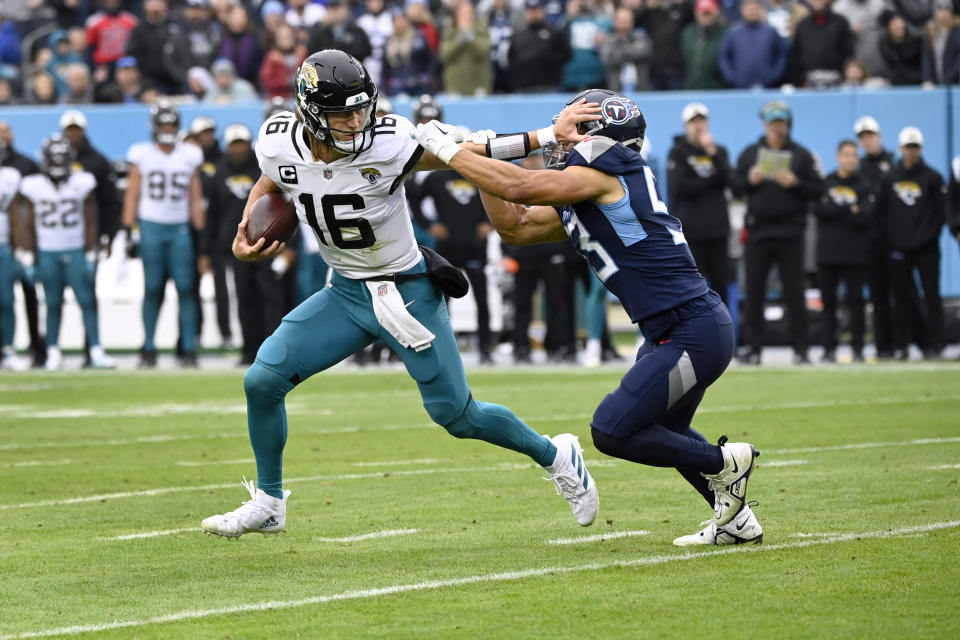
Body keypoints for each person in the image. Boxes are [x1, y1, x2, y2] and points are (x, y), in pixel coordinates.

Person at [200, 49, 599, 538]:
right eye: (343, 112)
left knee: (457, 415)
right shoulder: (277, 141)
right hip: (345, 294)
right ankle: (268, 501)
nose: (357, 120)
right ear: (309, 113)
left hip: (405, 292)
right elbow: (274, 176)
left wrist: (546, 136)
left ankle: (556, 455)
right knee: (262, 380)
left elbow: (467, 152)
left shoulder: (388, 143)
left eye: (362, 107)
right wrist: (250, 225)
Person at [415, 88, 761, 546]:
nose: (561, 141)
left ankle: (724, 464)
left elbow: (519, 186)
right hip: (673, 328)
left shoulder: (605, 173)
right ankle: (737, 523)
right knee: (668, 431)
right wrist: (481, 168)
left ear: (600, 138)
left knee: (611, 430)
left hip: (691, 327)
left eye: (574, 130)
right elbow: (515, 225)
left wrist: (454, 150)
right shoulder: (594, 189)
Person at [733, 101, 822, 365]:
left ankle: (801, 347)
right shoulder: (750, 153)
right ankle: (754, 348)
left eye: (781, 122)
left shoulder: (802, 155)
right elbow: (735, 187)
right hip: (759, 232)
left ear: (787, 124)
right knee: (755, 293)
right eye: (772, 123)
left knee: (795, 292)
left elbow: (818, 190)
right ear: (765, 124)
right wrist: (750, 179)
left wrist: (797, 183)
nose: (776, 127)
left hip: (791, 232)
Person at [17, 135, 113, 370]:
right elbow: (27, 222)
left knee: (86, 301)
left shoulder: (82, 181)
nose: (59, 164)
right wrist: (28, 255)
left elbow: (91, 218)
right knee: (52, 303)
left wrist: (91, 251)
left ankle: (96, 349)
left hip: (75, 250)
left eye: (62, 159)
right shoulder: (34, 186)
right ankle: (53, 351)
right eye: (55, 159)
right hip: (48, 250)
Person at [122, 101, 205, 368]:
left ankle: (189, 348)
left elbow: (195, 197)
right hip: (151, 227)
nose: (167, 129)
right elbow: (133, 193)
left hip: (179, 228)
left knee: (185, 288)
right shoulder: (142, 154)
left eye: (171, 124)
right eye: (163, 124)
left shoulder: (189, 154)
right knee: (153, 288)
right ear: (155, 127)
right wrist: (129, 229)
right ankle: (148, 347)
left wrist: (201, 237)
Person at [876, 127, 946, 359]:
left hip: (926, 249)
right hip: (898, 249)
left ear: (920, 149)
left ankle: (936, 344)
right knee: (901, 299)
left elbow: (940, 214)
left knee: (931, 296)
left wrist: (927, 237)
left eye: (915, 147)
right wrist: (893, 241)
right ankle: (902, 344)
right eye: (908, 147)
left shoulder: (933, 178)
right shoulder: (890, 178)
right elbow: (882, 213)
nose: (911, 152)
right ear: (900, 148)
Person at [667, 102, 731, 307]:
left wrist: (712, 154)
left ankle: (726, 334)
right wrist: (709, 180)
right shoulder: (678, 152)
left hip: (717, 229)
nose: (698, 126)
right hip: (692, 231)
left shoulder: (719, 152)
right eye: (693, 122)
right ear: (686, 126)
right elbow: (679, 188)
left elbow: (729, 181)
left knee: (721, 284)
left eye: (702, 121)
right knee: (695, 285)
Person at [814, 140, 872, 362]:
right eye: (846, 155)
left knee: (856, 303)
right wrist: (850, 209)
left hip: (855, 254)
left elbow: (865, 216)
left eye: (853, 155)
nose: (850, 159)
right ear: (838, 157)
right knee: (828, 304)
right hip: (828, 254)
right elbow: (820, 210)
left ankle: (858, 347)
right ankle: (829, 348)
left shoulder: (864, 185)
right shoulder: (826, 182)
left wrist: (835, 209)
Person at [854, 115, 896, 358]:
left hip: (894, 239)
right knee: (878, 296)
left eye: (870, 136)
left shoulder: (893, 162)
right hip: (869, 240)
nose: (867, 141)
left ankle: (910, 341)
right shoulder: (860, 168)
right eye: (863, 138)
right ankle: (883, 345)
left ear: (879, 136)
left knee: (903, 294)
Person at [0, 139, 28, 371]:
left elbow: (16, 215)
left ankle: (8, 349)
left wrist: (20, 248)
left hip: (2, 247)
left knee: (7, 301)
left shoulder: (9, 177)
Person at [719, 0, 788, 88]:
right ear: (742, 10)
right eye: (749, 9)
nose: (752, 12)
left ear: (760, 10)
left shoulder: (771, 32)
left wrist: (774, 76)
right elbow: (724, 57)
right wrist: (731, 78)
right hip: (740, 87)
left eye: (755, 9)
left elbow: (781, 56)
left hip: (768, 87)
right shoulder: (733, 32)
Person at [788, 0, 854, 87]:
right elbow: (796, 56)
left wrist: (845, 77)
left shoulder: (840, 22)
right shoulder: (802, 25)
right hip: (808, 82)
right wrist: (799, 82)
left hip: (837, 81)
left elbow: (848, 52)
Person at [681, 0, 728, 90]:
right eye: (702, 13)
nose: (705, 16)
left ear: (716, 12)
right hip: (691, 88)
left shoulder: (725, 33)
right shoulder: (688, 32)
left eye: (708, 13)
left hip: (717, 88)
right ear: (696, 13)